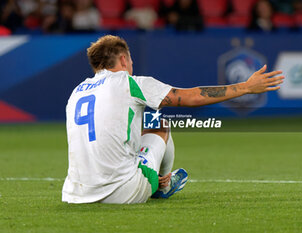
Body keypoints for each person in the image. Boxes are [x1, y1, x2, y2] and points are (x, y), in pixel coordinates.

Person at [62, 35, 284, 204]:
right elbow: (191, 97)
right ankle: (164, 185)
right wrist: (245, 87)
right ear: (123, 59)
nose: (132, 65)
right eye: (130, 60)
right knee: (159, 123)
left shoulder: (76, 92)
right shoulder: (129, 83)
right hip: (121, 191)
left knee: (138, 125)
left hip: (75, 194)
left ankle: (147, 176)